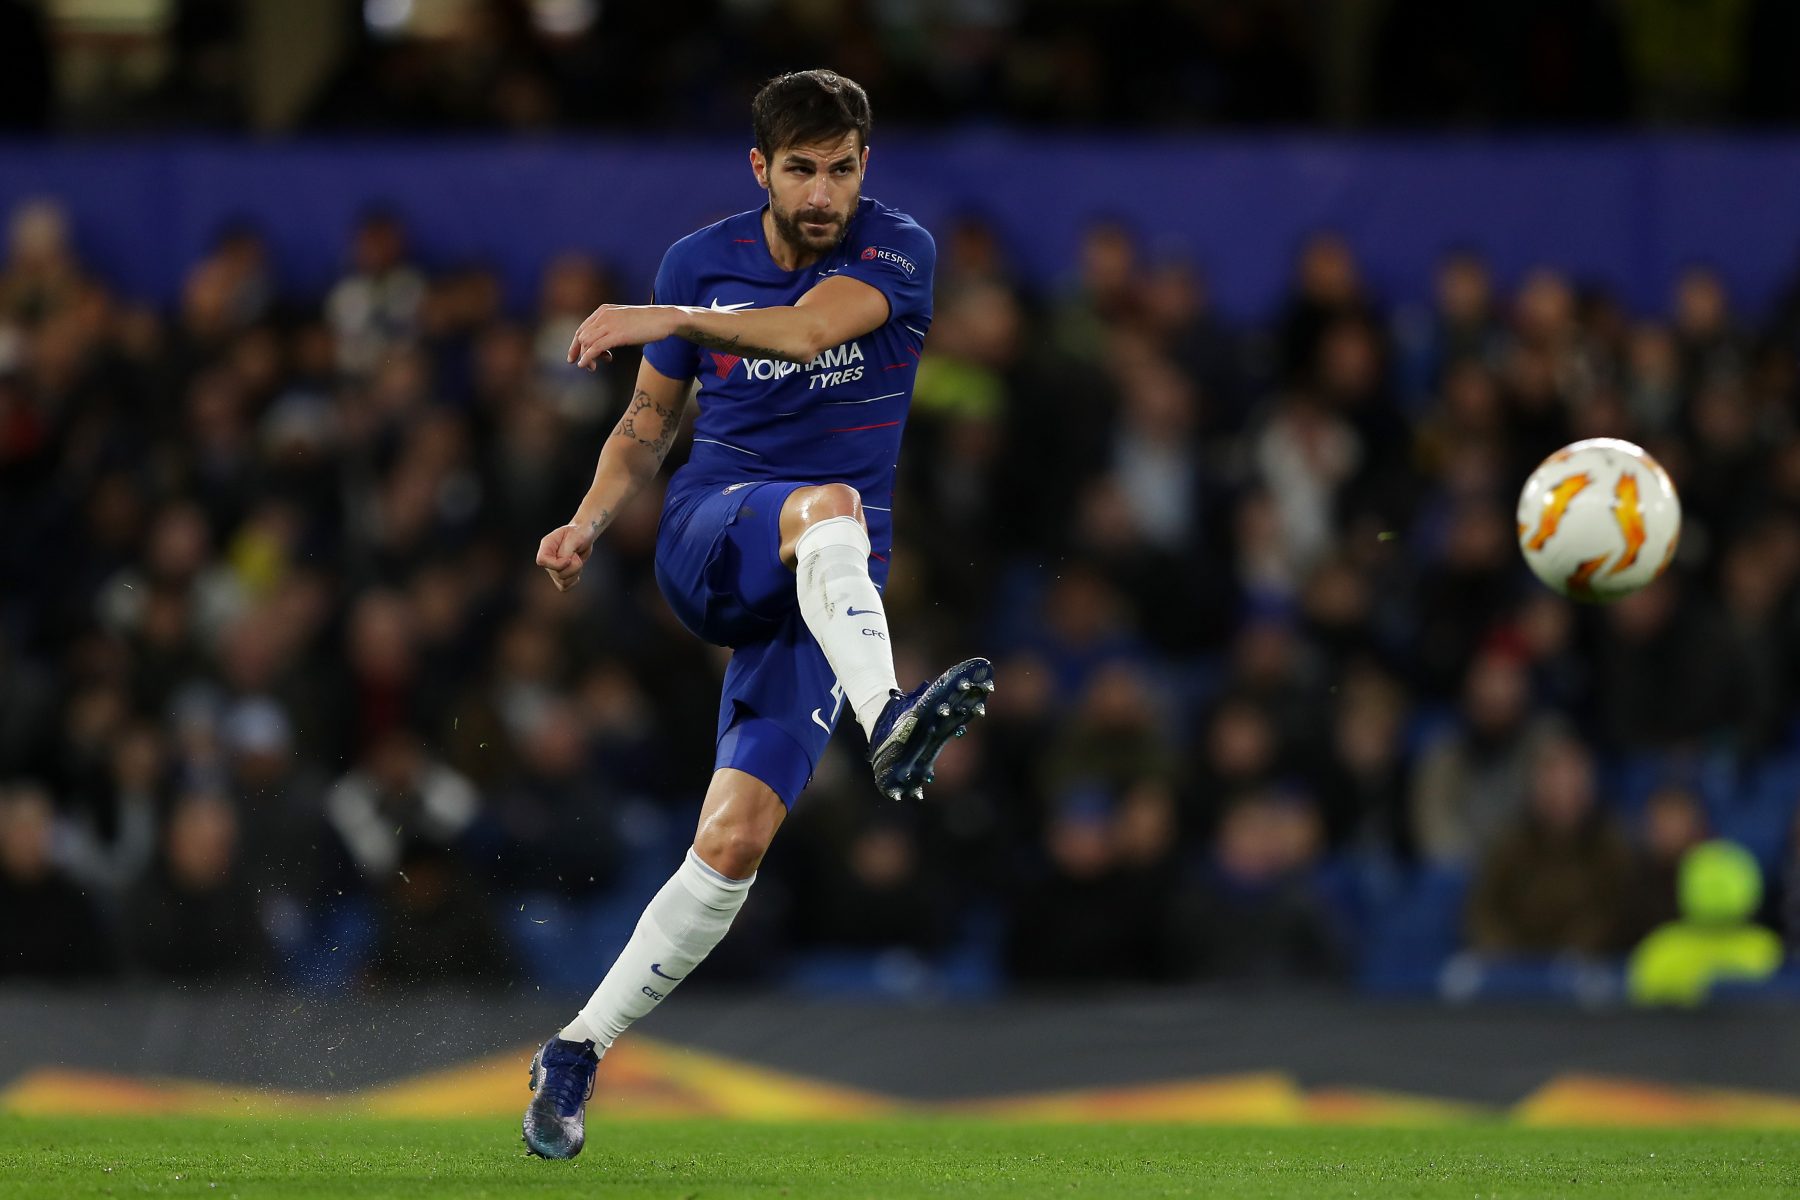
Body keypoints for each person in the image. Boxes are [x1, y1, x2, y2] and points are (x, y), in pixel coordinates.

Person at [520, 69, 992, 1159]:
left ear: (864, 166)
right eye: (800, 170)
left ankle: (574, 1051)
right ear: (760, 170)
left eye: (840, 168)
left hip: (826, 585)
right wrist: (589, 522)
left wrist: (667, 316)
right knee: (828, 507)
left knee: (732, 844)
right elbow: (646, 425)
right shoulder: (701, 258)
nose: (822, 192)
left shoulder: (897, 252)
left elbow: (803, 330)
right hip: (715, 534)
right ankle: (893, 722)